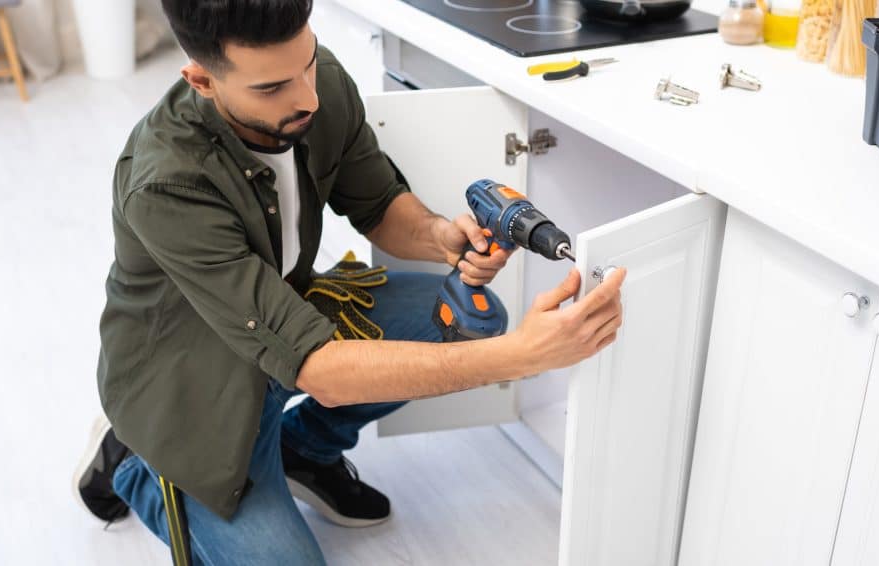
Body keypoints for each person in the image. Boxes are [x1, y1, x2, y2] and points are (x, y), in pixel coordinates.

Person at [72, 0, 626, 564]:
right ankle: (136, 463)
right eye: (271, 88)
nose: (307, 98)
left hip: (279, 318)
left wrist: (440, 236)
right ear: (202, 80)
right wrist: (523, 358)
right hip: (190, 387)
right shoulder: (168, 184)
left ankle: (304, 450)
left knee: (466, 321)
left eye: (306, 65)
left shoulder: (320, 85)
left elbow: (380, 204)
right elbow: (323, 372)